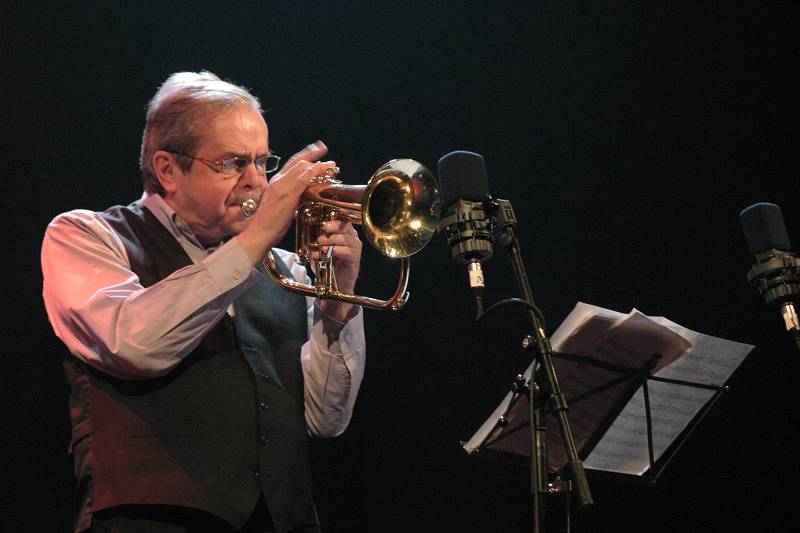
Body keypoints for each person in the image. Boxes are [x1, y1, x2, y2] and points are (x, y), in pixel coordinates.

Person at [41, 71, 366, 533]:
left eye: (262, 162)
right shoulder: (86, 236)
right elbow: (133, 344)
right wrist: (256, 239)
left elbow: (326, 420)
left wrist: (339, 300)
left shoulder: (285, 268)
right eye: (234, 163)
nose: (257, 183)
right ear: (167, 169)